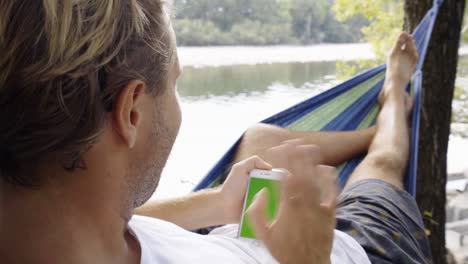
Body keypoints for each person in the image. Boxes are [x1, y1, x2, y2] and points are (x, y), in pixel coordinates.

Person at [0, 1, 431, 264]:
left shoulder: (46, 220)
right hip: (361, 250)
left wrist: (216, 201)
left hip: (239, 233)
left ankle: (372, 130)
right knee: (382, 165)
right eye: (174, 83)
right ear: (131, 110)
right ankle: (392, 103)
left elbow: (87, 218)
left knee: (260, 141)